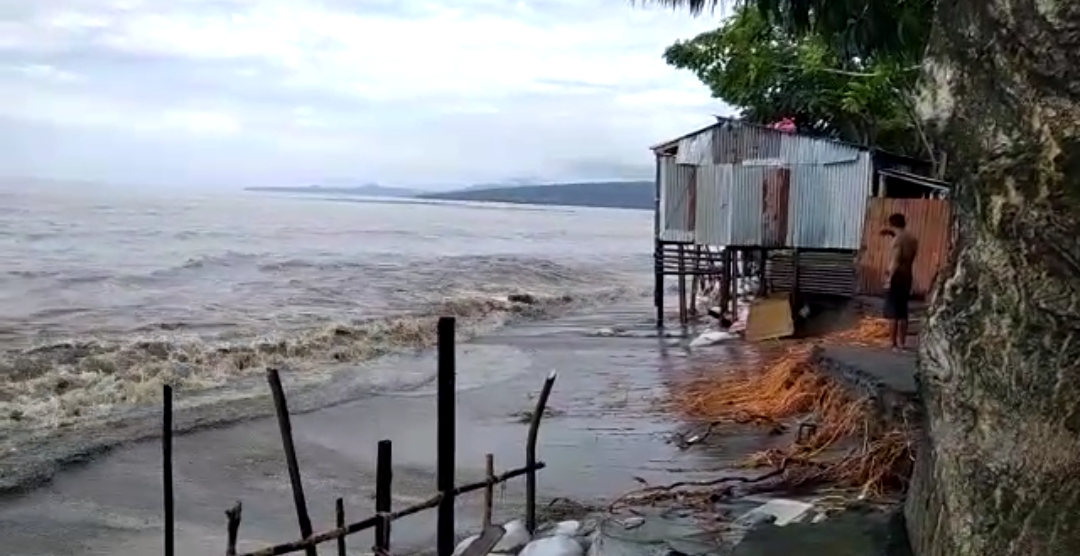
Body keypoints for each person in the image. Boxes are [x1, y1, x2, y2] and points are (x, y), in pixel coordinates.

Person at [883, 213, 918, 351]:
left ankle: (892, 344)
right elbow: (906, 255)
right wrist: (892, 234)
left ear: (891, 224)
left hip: (897, 276)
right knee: (903, 311)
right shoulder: (912, 239)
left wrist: (889, 278)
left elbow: (896, 260)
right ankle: (902, 343)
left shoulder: (898, 240)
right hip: (907, 275)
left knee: (893, 312)